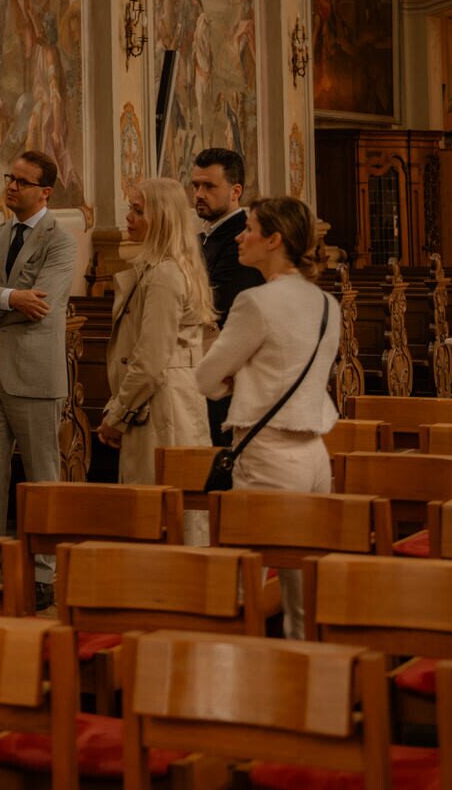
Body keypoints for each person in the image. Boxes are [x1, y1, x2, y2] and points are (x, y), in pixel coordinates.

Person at [193, 196, 340, 638]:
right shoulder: (326, 303)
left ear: (274, 240)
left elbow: (206, 377)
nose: (241, 236)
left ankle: (238, 671)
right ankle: (309, 667)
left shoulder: (255, 302)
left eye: (250, 228)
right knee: (305, 591)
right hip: (315, 455)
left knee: (244, 587)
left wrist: (237, 379)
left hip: (268, 453)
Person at [0, 149, 75, 610]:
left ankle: (44, 572)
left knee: (42, 478)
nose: (11, 186)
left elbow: (42, 303)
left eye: (22, 181)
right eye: (10, 178)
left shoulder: (60, 241)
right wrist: (11, 298)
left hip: (33, 372)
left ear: (44, 191)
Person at [97, 179, 214, 514]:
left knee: (162, 511)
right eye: (130, 209)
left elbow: (150, 360)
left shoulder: (165, 274)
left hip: (162, 405)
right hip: (162, 398)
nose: (129, 218)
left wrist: (116, 415)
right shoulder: (164, 267)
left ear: (162, 218)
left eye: (138, 211)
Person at [190, 147, 262, 444]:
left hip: (229, 371)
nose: (199, 194)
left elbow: (216, 304)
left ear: (235, 191)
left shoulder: (241, 242)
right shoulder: (202, 238)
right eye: (196, 185)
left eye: (209, 186)